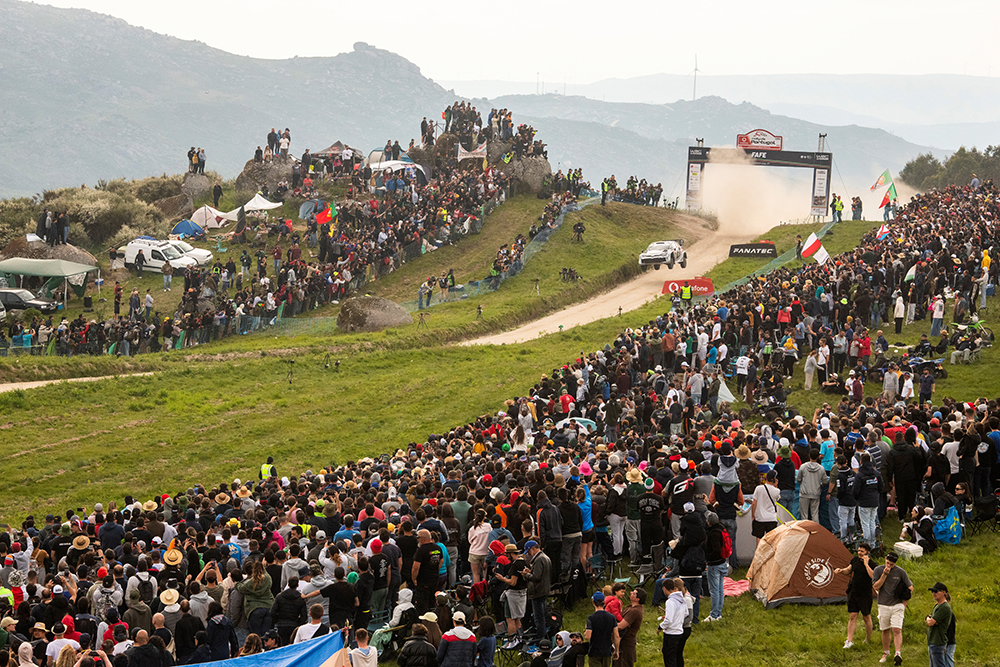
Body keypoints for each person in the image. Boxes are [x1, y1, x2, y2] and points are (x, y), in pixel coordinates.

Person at [872, 551, 913, 665]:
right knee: (885, 629)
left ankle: (898, 653)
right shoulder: (878, 570)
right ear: (885, 559)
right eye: (888, 563)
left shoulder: (900, 572)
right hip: (883, 603)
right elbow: (875, 586)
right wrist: (884, 574)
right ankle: (886, 652)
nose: (889, 566)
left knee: (896, 629)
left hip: (897, 605)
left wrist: (904, 604)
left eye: (892, 564)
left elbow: (910, 587)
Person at [834, 543, 875, 649]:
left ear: (868, 552)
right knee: (852, 615)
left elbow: (873, 576)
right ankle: (849, 640)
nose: (859, 553)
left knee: (866, 616)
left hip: (865, 594)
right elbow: (849, 569)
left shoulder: (872, 564)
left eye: (862, 551)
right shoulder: (855, 560)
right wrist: (841, 570)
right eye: (858, 551)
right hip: (854, 591)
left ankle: (868, 638)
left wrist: (866, 564)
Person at [523, 540, 550, 642]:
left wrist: (526, 575)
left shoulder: (538, 559)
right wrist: (531, 572)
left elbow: (536, 577)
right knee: (542, 615)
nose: (529, 554)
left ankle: (540, 637)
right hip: (544, 590)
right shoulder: (545, 557)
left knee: (538, 617)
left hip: (538, 592)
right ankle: (542, 635)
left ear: (533, 549)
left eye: (529, 552)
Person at [584, 591, 619, 667]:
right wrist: (616, 650)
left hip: (594, 652)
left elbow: (587, 637)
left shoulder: (591, 618)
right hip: (606, 652)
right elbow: (616, 636)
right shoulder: (612, 617)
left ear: (593, 602)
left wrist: (586, 629)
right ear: (604, 602)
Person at [614, 588, 644, 667]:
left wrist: (607, 624)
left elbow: (621, 626)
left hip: (626, 643)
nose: (630, 593)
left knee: (624, 664)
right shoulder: (630, 607)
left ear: (637, 599)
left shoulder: (634, 611)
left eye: (634, 593)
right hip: (623, 641)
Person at [925, 582, 952, 667]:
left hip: (938, 643)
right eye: (932, 591)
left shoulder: (944, 607)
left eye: (936, 591)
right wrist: (931, 619)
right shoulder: (937, 606)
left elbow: (931, 622)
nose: (934, 593)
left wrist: (928, 618)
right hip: (933, 642)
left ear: (944, 592)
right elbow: (932, 621)